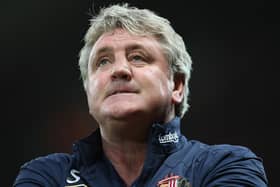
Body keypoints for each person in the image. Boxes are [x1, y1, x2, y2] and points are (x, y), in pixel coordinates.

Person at [14, 3, 268, 187]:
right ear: (88, 91)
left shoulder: (228, 165)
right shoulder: (45, 176)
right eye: (102, 62)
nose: (119, 70)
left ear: (177, 85)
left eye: (138, 57)